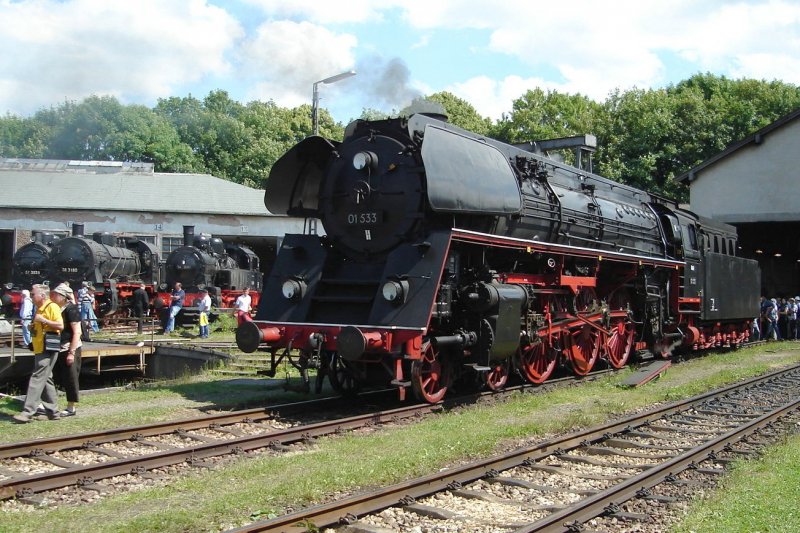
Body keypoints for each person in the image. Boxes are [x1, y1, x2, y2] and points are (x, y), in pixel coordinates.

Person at [13, 284, 64, 423]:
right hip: (40, 348)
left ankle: (27, 412)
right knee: (46, 379)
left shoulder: (51, 307)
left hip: (47, 349)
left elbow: (60, 325)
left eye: (33, 294)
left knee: (37, 378)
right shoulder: (40, 308)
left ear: (42, 295)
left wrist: (43, 320)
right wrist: (33, 327)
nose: (31, 296)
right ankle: (54, 412)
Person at [51, 283, 82, 417]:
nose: (53, 297)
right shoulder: (57, 309)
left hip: (69, 347)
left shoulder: (71, 309)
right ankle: (51, 404)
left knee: (70, 378)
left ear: (63, 297)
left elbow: (77, 332)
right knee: (56, 376)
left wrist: (71, 352)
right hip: (58, 347)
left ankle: (71, 407)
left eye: (56, 295)